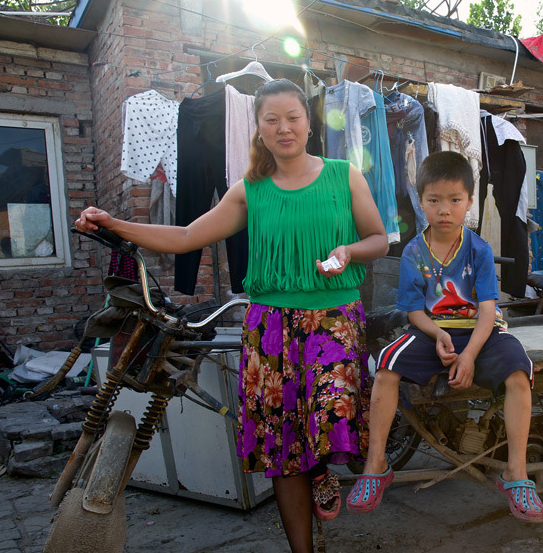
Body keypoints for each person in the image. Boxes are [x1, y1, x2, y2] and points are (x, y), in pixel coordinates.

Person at [75, 78, 389, 553]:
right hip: (270, 329)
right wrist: (116, 225)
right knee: (283, 451)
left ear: (309, 123)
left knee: (331, 413)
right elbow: (186, 237)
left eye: (292, 117)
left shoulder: (344, 175)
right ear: (259, 131)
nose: (283, 128)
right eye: (271, 120)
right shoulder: (250, 191)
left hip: (333, 321)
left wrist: (348, 249)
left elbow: (380, 240)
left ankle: (322, 466)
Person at [346, 151, 543, 523]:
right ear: (420, 202)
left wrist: (469, 355)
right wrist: (438, 332)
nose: (444, 210)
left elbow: (488, 310)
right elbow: (414, 311)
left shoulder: (479, 250)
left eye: (455, 200)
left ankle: (516, 473)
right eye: (434, 200)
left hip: (481, 331)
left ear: (470, 202)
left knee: (519, 371)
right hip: (430, 330)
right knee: (386, 365)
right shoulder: (412, 252)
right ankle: (376, 465)